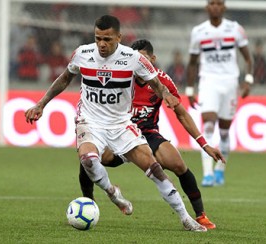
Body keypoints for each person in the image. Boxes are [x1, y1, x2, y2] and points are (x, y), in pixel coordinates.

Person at [24, 15, 219, 231]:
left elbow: (156, 82)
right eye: (98, 38)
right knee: (87, 160)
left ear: (119, 37)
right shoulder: (82, 53)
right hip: (90, 121)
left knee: (155, 169)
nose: (102, 44)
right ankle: (112, 193)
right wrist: (41, 104)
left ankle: (187, 218)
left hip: (121, 125)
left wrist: (167, 95)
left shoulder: (133, 58)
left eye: (107, 39)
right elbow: (64, 79)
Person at [79, 39, 226, 230]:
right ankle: (88, 204)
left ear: (153, 59)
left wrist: (204, 145)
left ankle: (200, 215)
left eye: (144, 59)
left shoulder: (162, 81)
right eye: (137, 59)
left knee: (178, 164)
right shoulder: (121, 76)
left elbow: (181, 114)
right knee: (90, 158)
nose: (140, 63)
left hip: (147, 133)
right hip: (117, 131)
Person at [185, 0, 253, 187]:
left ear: (224, 7)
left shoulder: (235, 29)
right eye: (212, 3)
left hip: (230, 83)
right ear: (207, 7)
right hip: (208, 82)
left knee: (224, 131)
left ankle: (220, 171)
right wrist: (190, 89)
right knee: (208, 124)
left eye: (219, 3)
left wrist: (248, 80)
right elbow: (192, 62)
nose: (215, 6)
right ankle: (207, 174)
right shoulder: (198, 31)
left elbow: (248, 58)